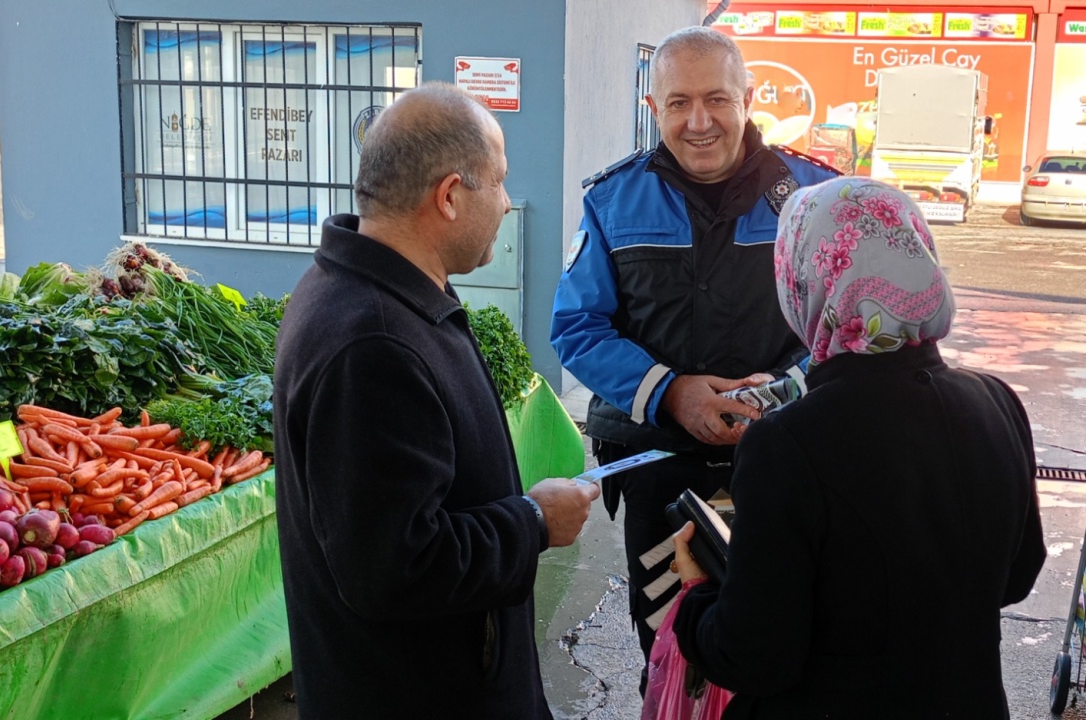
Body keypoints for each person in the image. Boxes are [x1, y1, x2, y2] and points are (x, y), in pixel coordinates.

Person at [273, 82, 601, 719]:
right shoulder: (371, 342)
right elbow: (395, 566)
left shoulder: (377, 295)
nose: (507, 204)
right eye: (500, 182)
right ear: (449, 196)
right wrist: (533, 522)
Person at [671, 177, 1047, 719]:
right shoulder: (995, 401)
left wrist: (697, 597)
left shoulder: (788, 442)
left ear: (804, 275)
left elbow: (754, 656)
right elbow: (1017, 575)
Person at [549, 25, 840, 683]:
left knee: (789, 649)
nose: (698, 121)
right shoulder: (609, 202)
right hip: (660, 479)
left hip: (790, 472)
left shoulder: (817, 199)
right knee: (671, 650)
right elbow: (575, 328)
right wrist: (672, 392)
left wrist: (784, 393)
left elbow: (846, 326)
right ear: (653, 109)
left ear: (748, 97)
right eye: (678, 103)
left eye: (716, 99)